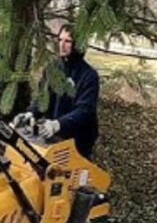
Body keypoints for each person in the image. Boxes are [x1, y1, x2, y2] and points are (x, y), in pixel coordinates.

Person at [14, 24, 100, 157]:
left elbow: (85, 111)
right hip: (54, 137)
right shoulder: (52, 68)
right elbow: (43, 97)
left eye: (67, 41)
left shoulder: (89, 75)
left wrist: (58, 124)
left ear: (77, 45)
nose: (62, 45)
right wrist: (31, 113)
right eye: (60, 40)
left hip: (79, 140)